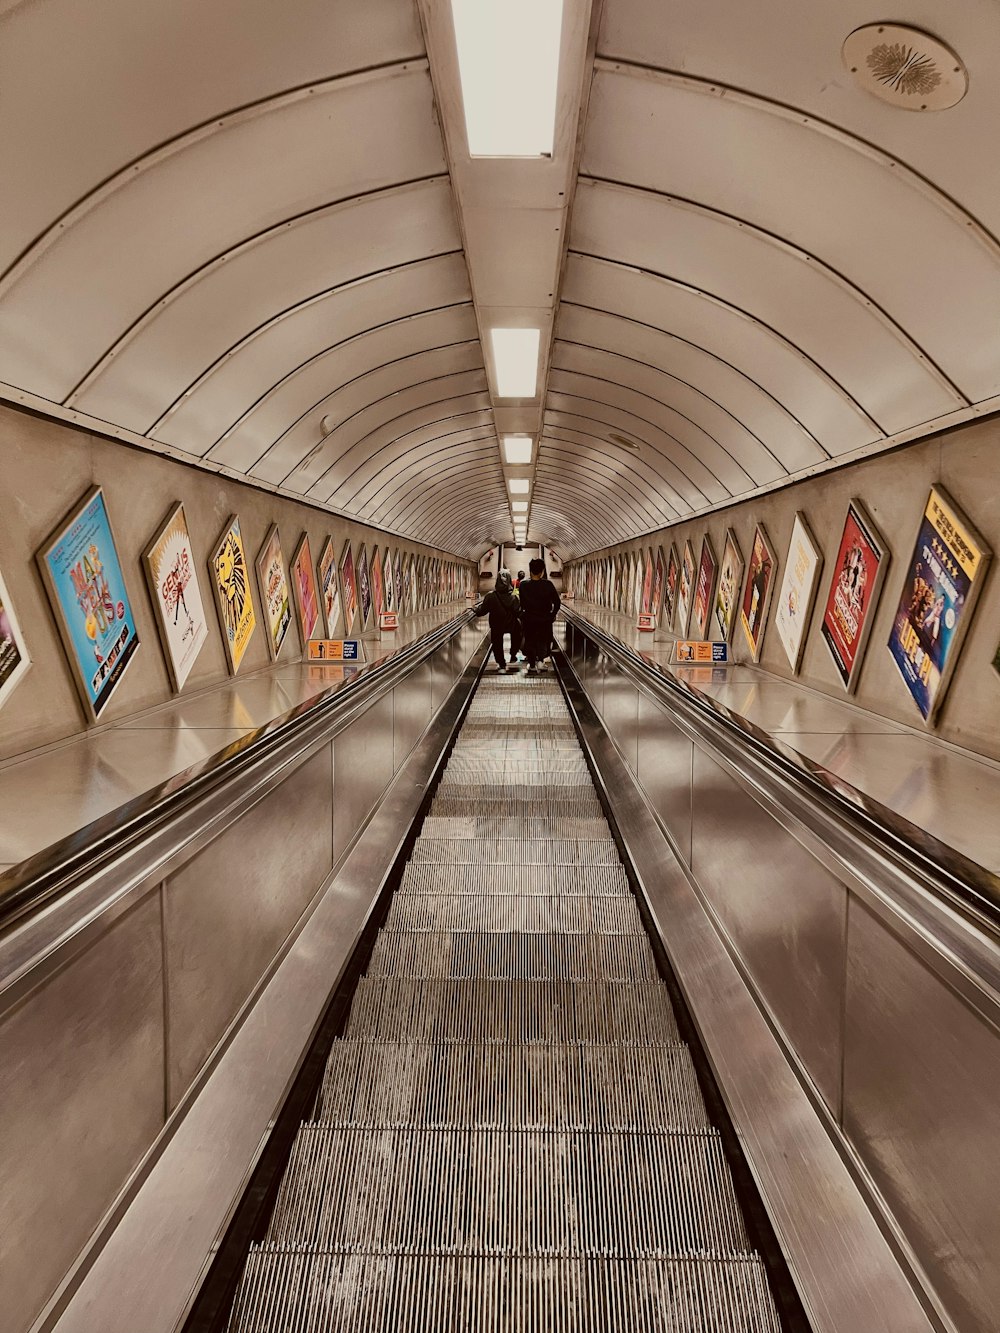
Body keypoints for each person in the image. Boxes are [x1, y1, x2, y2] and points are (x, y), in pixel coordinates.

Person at [473, 569, 522, 672]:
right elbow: (518, 612)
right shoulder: (514, 597)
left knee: (497, 642)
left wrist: (475, 610)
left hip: (496, 624)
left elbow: (482, 611)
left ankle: (501, 664)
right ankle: (513, 654)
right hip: (511, 624)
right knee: (517, 634)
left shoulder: (490, 596)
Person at [518, 557, 561, 674]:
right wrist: (552, 614)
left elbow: (521, 603)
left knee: (530, 640)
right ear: (542, 571)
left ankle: (532, 665)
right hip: (545, 618)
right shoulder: (548, 585)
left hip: (529, 618)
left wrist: (522, 614)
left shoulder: (523, 585)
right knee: (543, 639)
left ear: (530, 570)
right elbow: (557, 602)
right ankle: (541, 662)